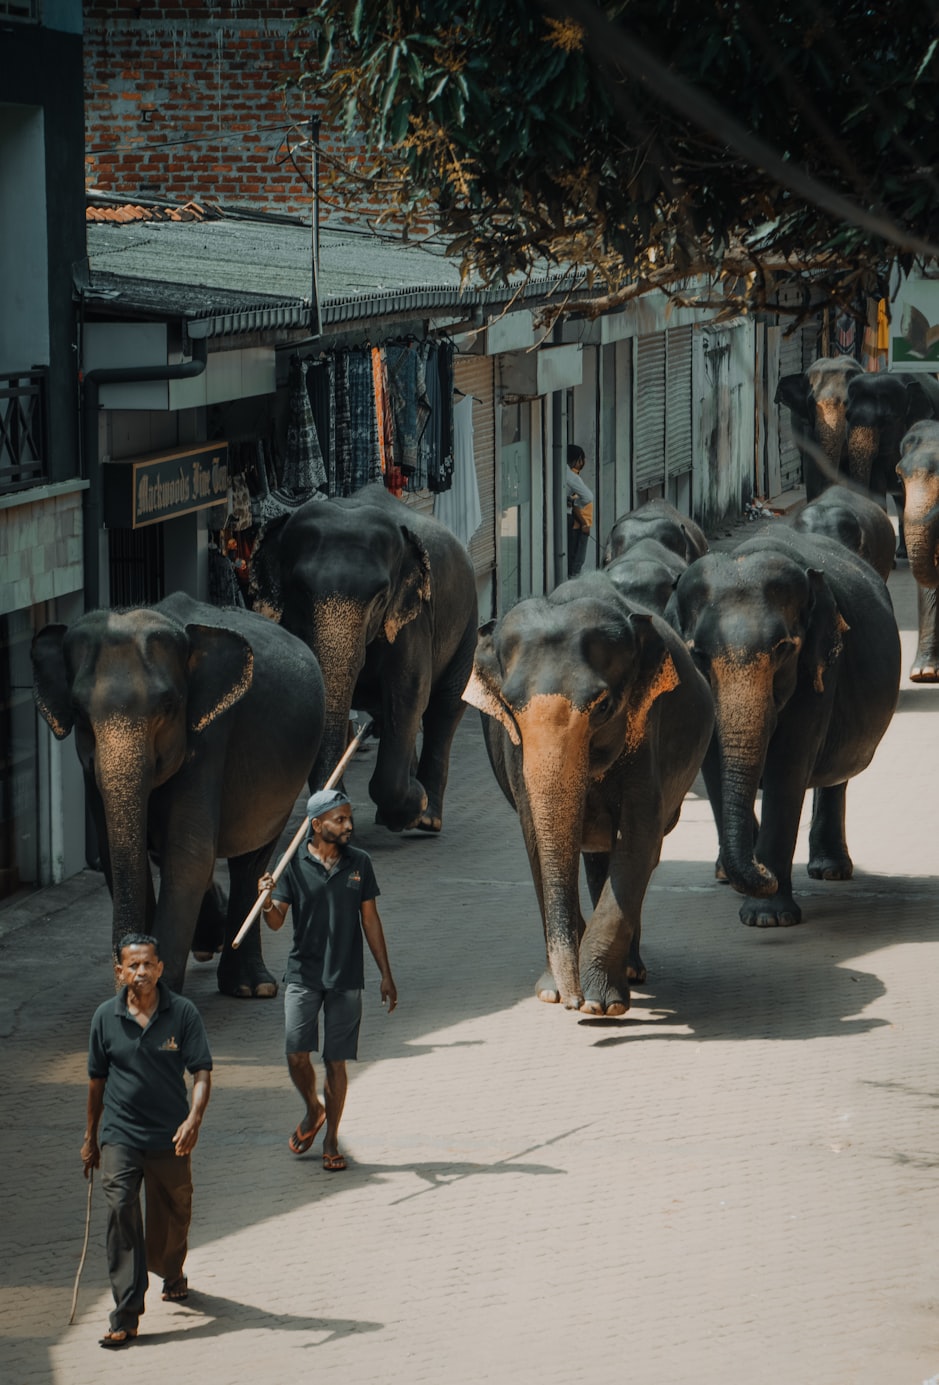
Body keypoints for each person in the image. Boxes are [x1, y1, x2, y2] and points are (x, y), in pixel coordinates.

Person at [82, 933, 212, 1349]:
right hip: (120, 1135)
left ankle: (171, 1270)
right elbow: (96, 1082)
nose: (141, 972)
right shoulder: (105, 1017)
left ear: (161, 968)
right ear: (119, 972)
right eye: (132, 966)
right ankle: (125, 1313)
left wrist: (194, 1119)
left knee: (174, 1215)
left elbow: (202, 1073)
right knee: (121, 1212)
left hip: (171, 1136)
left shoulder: (183, 1013)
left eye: (148, 965)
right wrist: (91, 1138)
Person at [259, 788, 397, 1172]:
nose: (349, 825)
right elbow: (275, 922)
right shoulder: (294, 863)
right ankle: (312, 1110)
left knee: (336, 1062)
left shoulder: (360, 863)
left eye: (349, 818)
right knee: (295, 1054)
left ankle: (332, 1137)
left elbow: (370, 919)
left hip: (346, 978)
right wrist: (267, 901)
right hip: (303, 974)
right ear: (317, 825)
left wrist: (386, 974)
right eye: (340, 820)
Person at [565, 443, 594, 577]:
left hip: (577, 523)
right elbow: (588, 497)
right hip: (578, 525)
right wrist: (584, 523)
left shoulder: (568, 475)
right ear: (576, 460)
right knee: (576, 562)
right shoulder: (571, 477)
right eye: (581, 459)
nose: (583, 463)